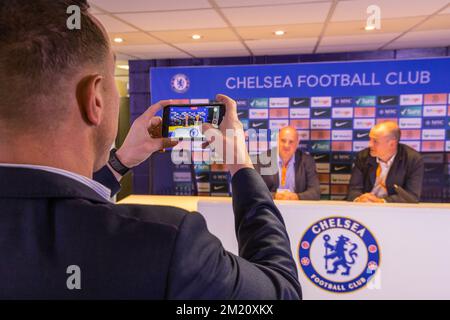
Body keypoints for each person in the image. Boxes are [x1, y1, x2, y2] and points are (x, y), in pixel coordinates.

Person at [0, 0, 300, 299]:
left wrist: (119, 164)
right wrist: (240, 165)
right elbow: (280, 294)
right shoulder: (167, 244)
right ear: (95, 100)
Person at [347, 121, 424, 203]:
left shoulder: (412, 159)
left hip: (395, 211)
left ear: (392, 144)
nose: (370, 144)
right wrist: (360, 199)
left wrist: (381, 201)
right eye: (370, 139)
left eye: (375, 141)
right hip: (365, 207)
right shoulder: (363, 156)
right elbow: (353, 190)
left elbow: (411, 196)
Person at [257, 126, 320, 200]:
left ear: (297, 143)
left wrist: (296, 197)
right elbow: (255, 191)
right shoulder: (262, 160)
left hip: (297, 208)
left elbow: (315, 192)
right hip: (270, 206)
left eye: (291, 142)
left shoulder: (307, 161)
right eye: (283, 141)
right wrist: (275, 196)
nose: (286, 145)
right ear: (277, 141)